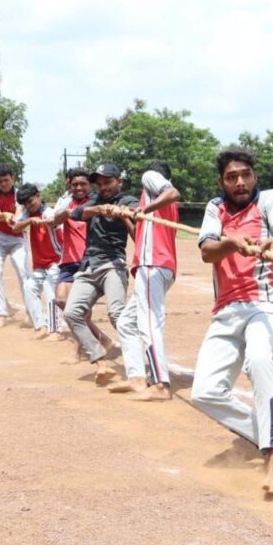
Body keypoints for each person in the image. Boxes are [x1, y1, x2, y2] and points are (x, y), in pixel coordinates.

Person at [191, 147, 273, 496]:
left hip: (262, 306)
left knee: (259, 362)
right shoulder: (215, 208)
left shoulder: (269, 200)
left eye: (245, 174)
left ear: (254, 176)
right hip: (226, 311)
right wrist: (230, 242)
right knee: (205, 393)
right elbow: (207, 250)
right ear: (222, 181)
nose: (240, 182)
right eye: (231, 177)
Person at [108, 161, 182, 401]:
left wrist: (144, 209)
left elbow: (172, 192)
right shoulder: (156, 206)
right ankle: (137, 378)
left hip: (153, 265)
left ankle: (160, 384)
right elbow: (138, 234)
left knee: (149, 323)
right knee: (127, 323)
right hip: (153, 266)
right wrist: (127, 217)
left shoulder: (152, 179)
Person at [63, 162, 139, 385]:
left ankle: (141, 363)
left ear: (119, 182)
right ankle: (101, 364)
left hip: (113, 264)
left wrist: (124, 215)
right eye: (100, 183)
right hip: (88, 267)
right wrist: (98, 209)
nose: (103, 186)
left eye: (108, 182)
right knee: (72, 313)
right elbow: (77, 214)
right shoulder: (94, 200)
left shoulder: (129, 201)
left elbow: (137, 233)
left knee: (117, 314)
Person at [49, 167, 112, 360]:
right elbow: (54, 221)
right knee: (60, 301)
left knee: (81, 310)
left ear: (89, 185)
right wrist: (67, 212)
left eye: (83, 184)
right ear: (70, 185)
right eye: (75, 184)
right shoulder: (66, 203)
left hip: (88, 262)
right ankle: (102, 338)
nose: (78, 187)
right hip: (68, 260)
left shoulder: (96, 203)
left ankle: (78, 351)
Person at [12, 183, 64, 340]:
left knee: (50, 290)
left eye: (31, 201)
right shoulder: (28, 214)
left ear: (38, 196)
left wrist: (43, 221)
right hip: (40, 264)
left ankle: (56, 331)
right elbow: (15, 227)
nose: (29, 205)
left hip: (57, 260)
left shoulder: (50, 212)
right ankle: (40, 327)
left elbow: (55, 222)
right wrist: (30, 220)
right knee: (29, 288)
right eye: (25, 204)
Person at [0, 163, 31, 328]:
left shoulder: (21, 194)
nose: (3, 184)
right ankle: (2, 313)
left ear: (13, 178)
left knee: (23, 273)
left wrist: (15, 218)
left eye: (6, 180)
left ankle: (30, 313)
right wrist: (5, 215)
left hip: (18, 239)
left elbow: (19, 212)